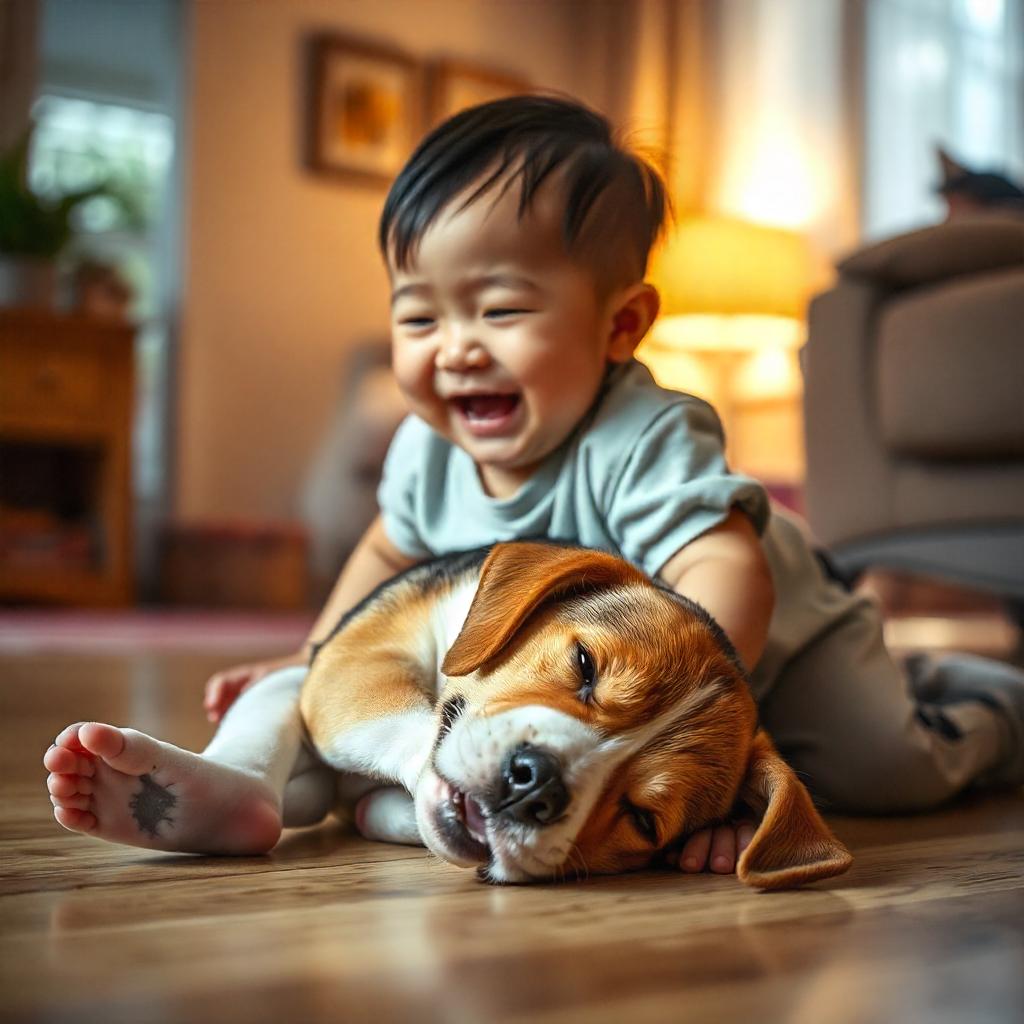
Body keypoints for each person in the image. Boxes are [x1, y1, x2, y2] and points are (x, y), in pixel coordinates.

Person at [44, 96, 1024, 874]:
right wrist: (307, 660)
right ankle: (252, 789)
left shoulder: (644, 434)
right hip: (612, 715)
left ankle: (981, 702)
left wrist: (720, 775)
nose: (458, 349)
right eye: (419, 318)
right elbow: (388, 558)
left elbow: (731, 570)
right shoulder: (427, 452)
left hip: (796, 647)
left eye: (502, 309)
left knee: (883, 770)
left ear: (620, 327)